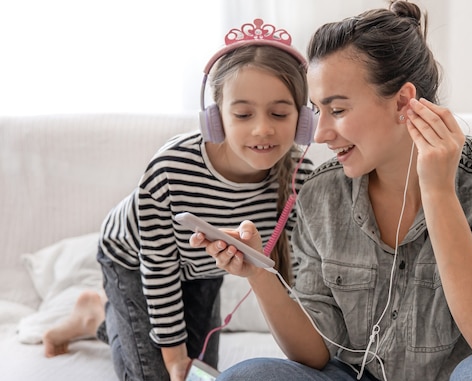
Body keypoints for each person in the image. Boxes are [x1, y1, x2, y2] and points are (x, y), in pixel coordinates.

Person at [189, 1, 472, 380]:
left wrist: (438, 191)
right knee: (248, 376)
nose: (320, 134)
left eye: (337, 110)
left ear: (403, 101)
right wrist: (258, 272)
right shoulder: (322, 193)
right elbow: (315, 353)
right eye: (318, 111)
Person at [41, 18, 315, 381]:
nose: (263, 128)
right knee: (162, 374)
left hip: (202, 269)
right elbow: (159, 266)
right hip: (137, 262)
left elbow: (295, 271)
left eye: (279, 114)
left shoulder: (301, 176)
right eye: (243, 114)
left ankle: (98, 317)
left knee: (200, 373)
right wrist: (172, 357)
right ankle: (97, 312)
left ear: (303, 119)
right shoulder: (171, 168)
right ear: (215, 118)